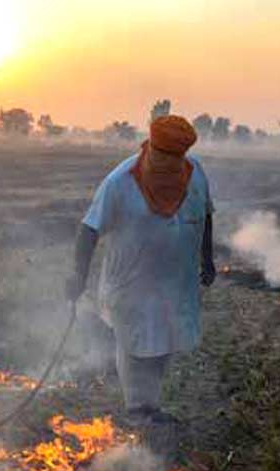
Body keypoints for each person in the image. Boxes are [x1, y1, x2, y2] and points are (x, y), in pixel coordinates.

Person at [66, 115, 216, 425]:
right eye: (164, 156)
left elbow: (206, 214)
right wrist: (78, 275)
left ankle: (151, 405)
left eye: (177, 158)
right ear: (151, 147)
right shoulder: (120, 182)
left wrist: (207, 258)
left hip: (176, 280)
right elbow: (89, 229)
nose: (170, 164)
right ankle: (137, 411)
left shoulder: (195, 173)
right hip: (132, 282)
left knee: (164, 341)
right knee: (134, 344)